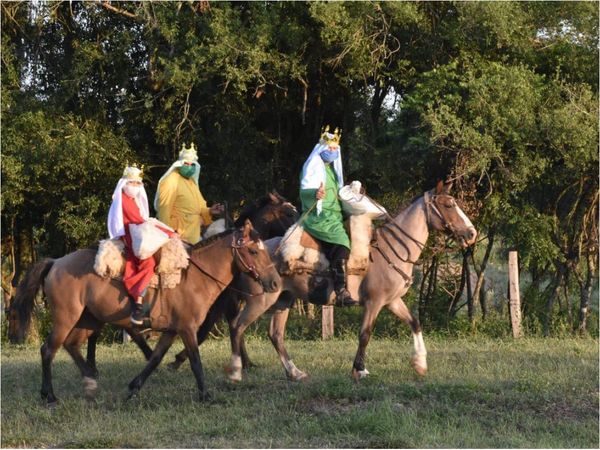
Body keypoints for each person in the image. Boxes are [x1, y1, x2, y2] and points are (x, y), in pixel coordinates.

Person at [299, 126, 359, 307]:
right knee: (341, 241)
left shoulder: (332, 170)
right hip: (318, 217)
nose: (332, 151)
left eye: (335, 149)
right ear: (322, 148)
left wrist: (353, 192)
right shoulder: (311, 166)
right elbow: (304, 192)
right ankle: (340, 289)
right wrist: (314, 195)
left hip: (335, 215)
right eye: (330, 148)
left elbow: (338, 193)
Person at [108, 165, 175, 325]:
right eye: (133, 183)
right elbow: (138, 221)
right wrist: (164, 231)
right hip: (131, 235)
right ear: (125, 183)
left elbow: (142, 219)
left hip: (138, 231)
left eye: (138, 184)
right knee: (148, 261)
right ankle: (137, 301)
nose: (136, 186)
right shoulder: (123, 200)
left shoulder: (133, 199)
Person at [154, 143, 224, 245]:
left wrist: (210, 211)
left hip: (194, 236)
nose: (190, 167)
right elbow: (163, 210)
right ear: (180, 164)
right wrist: (168, 234)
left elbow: (197, 209)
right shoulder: (171, 181)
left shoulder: (191, 182)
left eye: (192, 164)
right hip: (178, 237)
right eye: (186, 164)